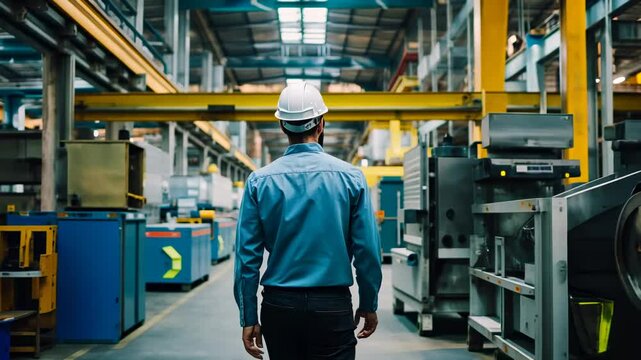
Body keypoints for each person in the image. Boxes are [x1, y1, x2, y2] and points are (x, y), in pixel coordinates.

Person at [233, 81, 382, 360]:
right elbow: (368, 252)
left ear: (282, 126)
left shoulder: (259, 182)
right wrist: (369, 302)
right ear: (321, 124)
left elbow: (246, 258)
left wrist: (248, 315)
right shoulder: (351, 178)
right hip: (332, 305)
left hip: (279, 307)